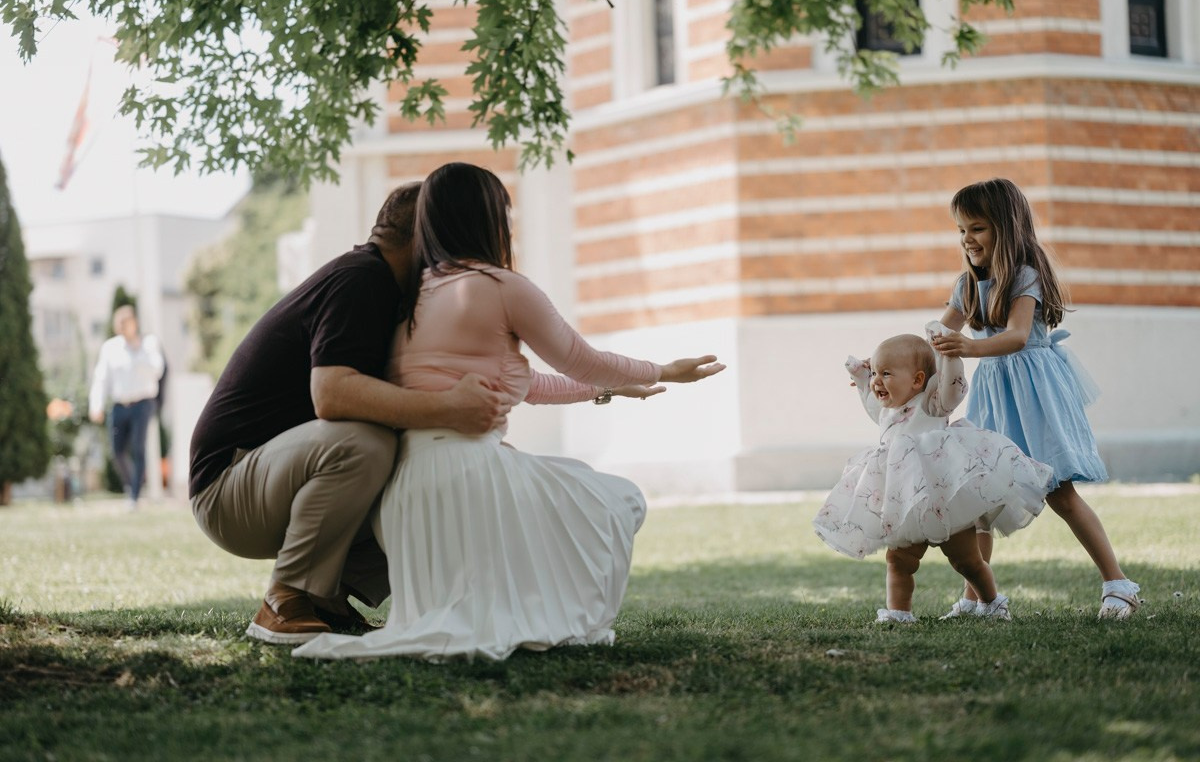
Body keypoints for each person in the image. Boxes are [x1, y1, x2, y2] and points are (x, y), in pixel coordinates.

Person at [294, 162, 725, 661]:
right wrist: (664, 369)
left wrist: (607, 391)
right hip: (466, 477)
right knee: (618, 500)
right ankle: (542, 610)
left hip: (408, 492)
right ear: (489, 219)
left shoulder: (415, 298)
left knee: (567, 500)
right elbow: (581, 359)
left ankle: (516, 606)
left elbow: (529, 385)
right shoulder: (501, 286)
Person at [189, 182, 510, 645]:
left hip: (272, 476)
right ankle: (286, 598)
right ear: (423, 240)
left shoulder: (386, 290)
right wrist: (449, 407)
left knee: (434, 467)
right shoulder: (361, 279)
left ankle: (330, 600)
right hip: (228, 485)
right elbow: (333, 396)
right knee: (365, 442)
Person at [929, 177, 1142, 619]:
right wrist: (891, 366)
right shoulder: (966, 285)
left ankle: (1118, 585)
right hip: (993, 394)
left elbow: (1017, 336)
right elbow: (937, 335)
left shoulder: (1024, 274)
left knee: (1059, 492)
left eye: (978, 228)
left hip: (1033, 392)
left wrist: (968, 347)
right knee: (980, 498)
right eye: (961, 230)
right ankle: (979, 600)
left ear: (1004, 228)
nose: (967, 239)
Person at [813, 329, 1056, 623]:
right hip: (904, 502)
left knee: (966, 561)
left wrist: (950, 357)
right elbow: (871, 403)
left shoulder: (931, 403)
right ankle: (898, 614)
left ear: (917, 380)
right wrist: (864, 379)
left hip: (944, 498)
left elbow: (954, 386)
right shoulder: (887, 410)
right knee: (899, 560)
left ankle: (991, 602)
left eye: (886, 373)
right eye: (876, 372)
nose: (878, 380)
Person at [89, 304, 165, 510]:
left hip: (143, 403)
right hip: (119, 405)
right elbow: (101, 379)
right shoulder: (110, 348)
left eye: (126, 323)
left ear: (134, 324)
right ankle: (133, 483)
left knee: (138, 449)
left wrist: (138, 350)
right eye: (119, 324)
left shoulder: (148, 344)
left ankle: (134, 496)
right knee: (117, 451)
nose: (123, 327)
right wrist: (96, 404)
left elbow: (158, 370)